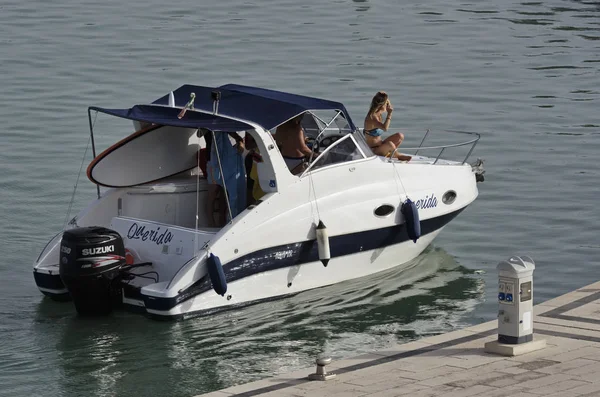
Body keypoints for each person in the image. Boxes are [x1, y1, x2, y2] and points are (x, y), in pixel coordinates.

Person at [206, 131, 246, 227]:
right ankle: (211, 223)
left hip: (226, 160)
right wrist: (238, 138)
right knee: (214, 191)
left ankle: (222, 221)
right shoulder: (211, 125)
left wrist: (238, 139)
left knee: (224, 193)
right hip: (213, 160)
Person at [364, 91, 411, 161]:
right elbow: (385, 128)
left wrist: (384, 95)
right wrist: (389, 114)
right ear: (381, 105)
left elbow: (385, 101)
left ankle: (390, 153)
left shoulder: (378, 113)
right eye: (387, 104)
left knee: (400, 136)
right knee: (390, 144)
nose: (388, 105)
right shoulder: (372, 117)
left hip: (381, 145)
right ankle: (398, 156)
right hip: (373, 150)